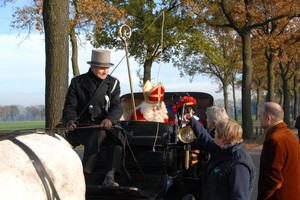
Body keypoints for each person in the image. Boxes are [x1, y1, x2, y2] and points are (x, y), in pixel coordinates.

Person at [62, 49, 124, 187]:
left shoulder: (113, 83)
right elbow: (69, 107)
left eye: (107, 68)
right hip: (85, 126)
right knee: (98, 135)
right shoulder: (78, 82)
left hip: (107, 124)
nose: (105, 72)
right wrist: (71, 121)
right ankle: (85, 174)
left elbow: (117, 106)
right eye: (102, 68)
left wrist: (109, 119)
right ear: (92, 67)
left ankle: (110, 175)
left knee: (118, 136)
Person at [183, 112, 255, 200]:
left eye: (216, 133)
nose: (213, 134)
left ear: (223, 138)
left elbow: (239, 197)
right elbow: (206, 139)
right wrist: (192, 120)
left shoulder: (238, 165)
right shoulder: (223, 148)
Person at [257, 102, 300, 200]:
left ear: (268, 118)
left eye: (260, 115)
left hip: (279, 196)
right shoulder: (290, 135)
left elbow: (273, 178)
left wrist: (263, 197)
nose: (259, 118)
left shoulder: (274, 139)